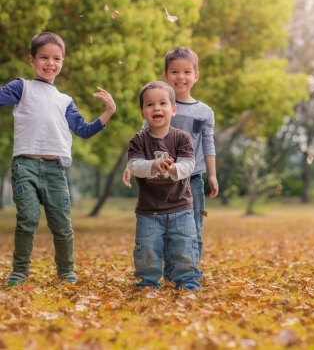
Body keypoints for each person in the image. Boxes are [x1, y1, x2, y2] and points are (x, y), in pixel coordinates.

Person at [0, 32, 116, 286]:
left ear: (62, 62)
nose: (50, 63)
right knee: (27, 219)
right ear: (32, 60)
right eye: (44, 57)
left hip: (55, 169)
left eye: (56, 58)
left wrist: (108, 112)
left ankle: (66, 271)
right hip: (25, 166)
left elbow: (84, 130)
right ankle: (19, 272)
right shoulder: (22, 87)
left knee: (62, 224)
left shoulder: (65, 101)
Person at [123, 47, 218, 280]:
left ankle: (188, 271)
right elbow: (141, 142)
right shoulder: (158, 102)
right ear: (166, 75)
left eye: (187, 71)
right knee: (163, 226)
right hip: (159, 179)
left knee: (192, 227)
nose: (181, 76)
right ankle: (167, 270)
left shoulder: (204, 112)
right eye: (174, 71)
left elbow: (208, 144)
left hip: (192, 177)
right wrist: (130, 166)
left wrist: (212, 175)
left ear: (196, 75)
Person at [127, 80, 200, 290]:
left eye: (162, 103)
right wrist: (154, 164)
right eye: (150, 105)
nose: (156, 108)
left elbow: (189, 164)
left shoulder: (181, 138)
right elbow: (134, 165)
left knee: (184, 247)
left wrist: (173, 168)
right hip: (149, 211)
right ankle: (148, 282)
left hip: (181, 208)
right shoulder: (138, 140)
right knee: (147, 249)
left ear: (173, 109)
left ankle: (186, 281)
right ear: (142, 112)